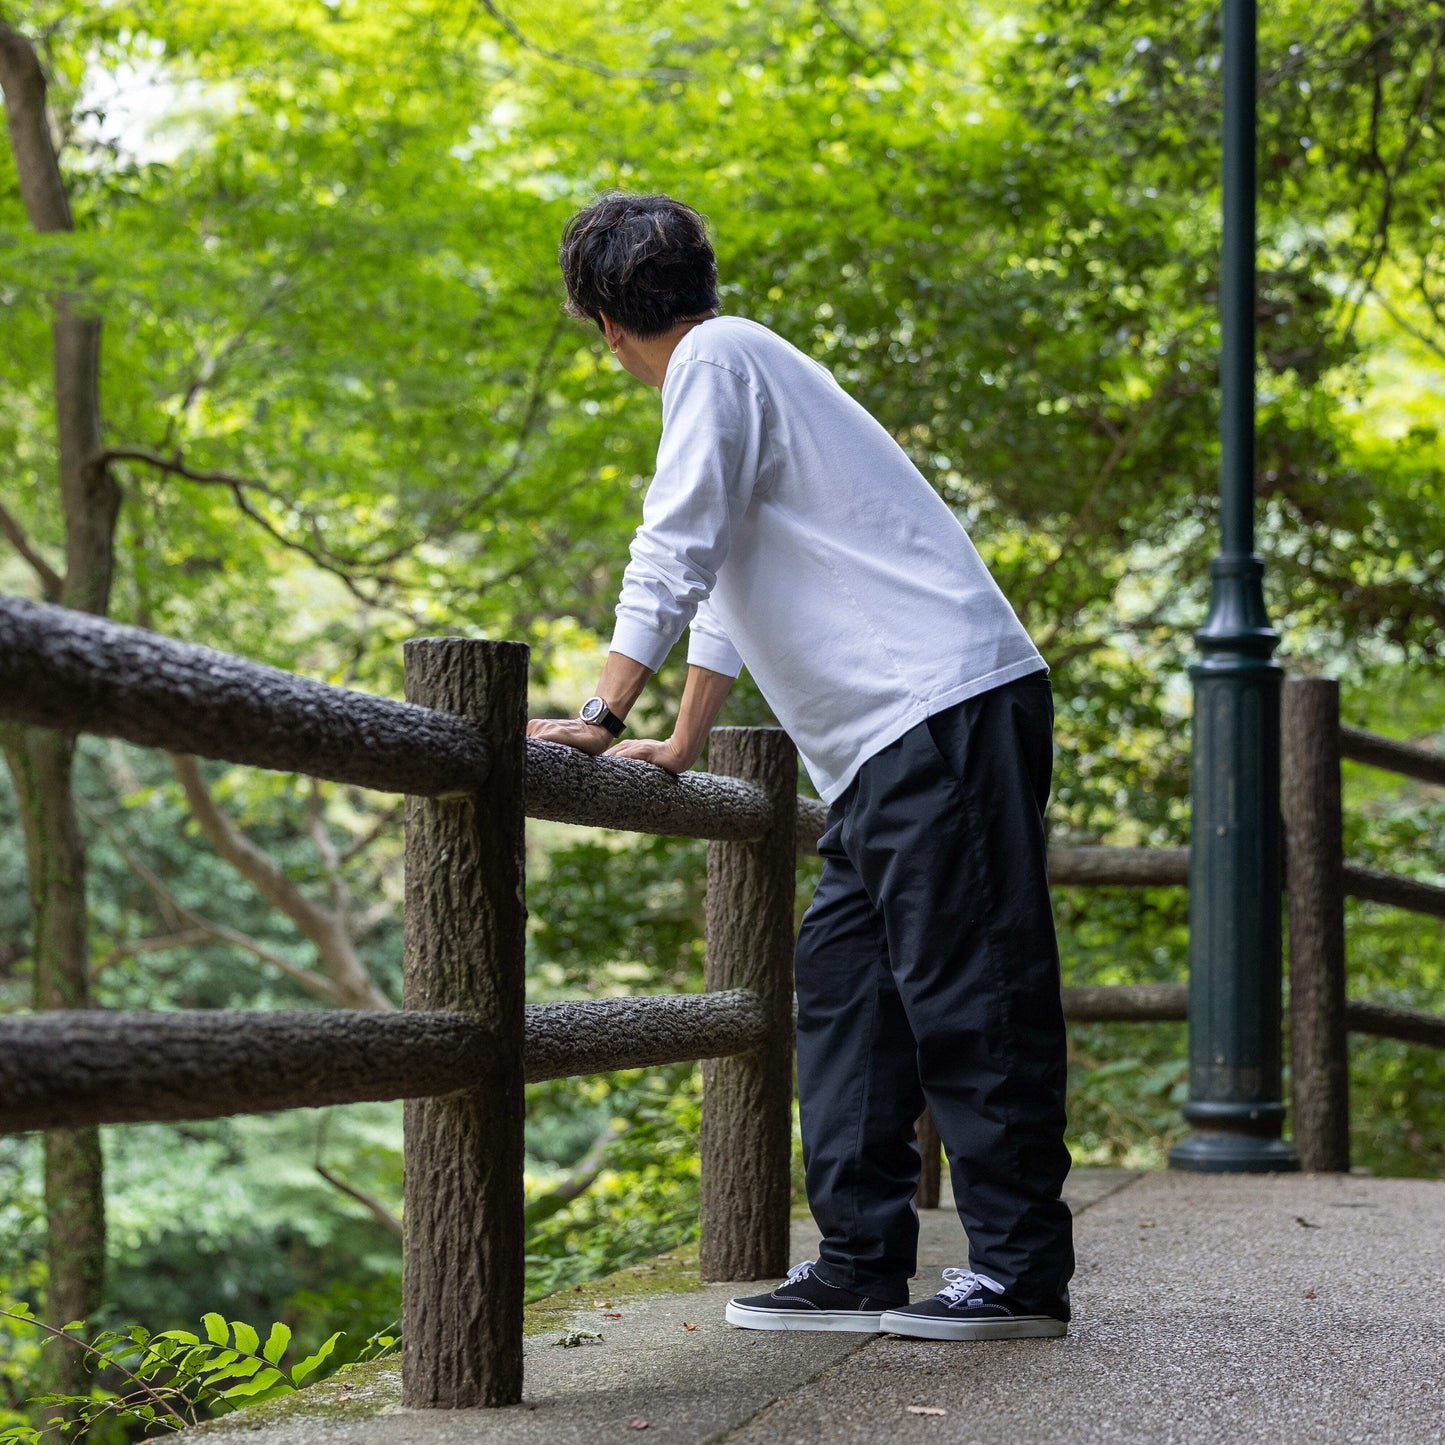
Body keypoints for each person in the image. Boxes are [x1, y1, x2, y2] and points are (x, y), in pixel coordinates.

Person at [526, 192, 1073, 1341]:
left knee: (970, 992)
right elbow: (724, 577)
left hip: (940, 707)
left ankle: (1020, 1272)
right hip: (885, 744)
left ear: (603, 324)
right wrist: (679, 737)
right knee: (843, 990)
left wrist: (597, 705)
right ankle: (863, 1258)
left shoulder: (717, 364)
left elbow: (673, 541)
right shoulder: (736, 367)